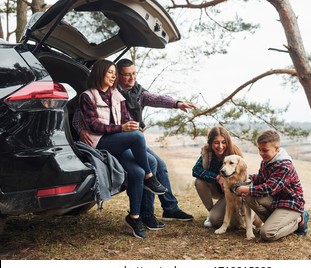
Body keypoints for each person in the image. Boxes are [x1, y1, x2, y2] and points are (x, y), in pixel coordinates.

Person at [78, 59, 167, 239]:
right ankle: (150, 178)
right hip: (101, 142)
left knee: (137, 170)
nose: (114, 76)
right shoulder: (88, 96)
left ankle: (134, 217)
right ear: (99, 73)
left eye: (114, 73)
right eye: (110, 73)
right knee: (136, 137)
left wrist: (130, 125)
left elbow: (125, 119)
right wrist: (122, 129)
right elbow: (93, 125)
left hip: (118, 141)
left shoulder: (118, 96)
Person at [116, 58, 196, 225]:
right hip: (120, 141)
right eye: (127, 75)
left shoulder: (138, 92)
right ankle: (146, 214)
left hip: (136, 140)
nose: (132, 78)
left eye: (134, 74)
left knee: (161, 166)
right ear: (117, 75)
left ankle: (170, 208)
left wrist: (177, 103)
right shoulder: (112, 94)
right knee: (152, 165)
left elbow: (156, 98)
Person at [234, 130, 309, 242]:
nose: (261, 153)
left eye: (265, 150)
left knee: (267, 234)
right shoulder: (267, 161)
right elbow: (261, 179)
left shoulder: (284, 166)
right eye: (259, 149)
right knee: (249, 197)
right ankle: (275, 223)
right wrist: (246, 178)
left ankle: (299, 220)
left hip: (290, 204)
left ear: (277, 148)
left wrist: (247, 189)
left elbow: (268, 188)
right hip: (276, 201)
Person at [192, 126, 243, 228]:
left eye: (223, 142)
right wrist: (217, 177)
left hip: (231, 192)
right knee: (199, 182)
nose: (220, 146)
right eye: (216, 142)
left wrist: (227, 181)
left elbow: (241, 177)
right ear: (210, 143)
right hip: (216, 188)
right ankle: (211, 212)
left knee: (215, 221)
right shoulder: (207, 152)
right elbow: (195, 170)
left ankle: (229, 218)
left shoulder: (235, 153)